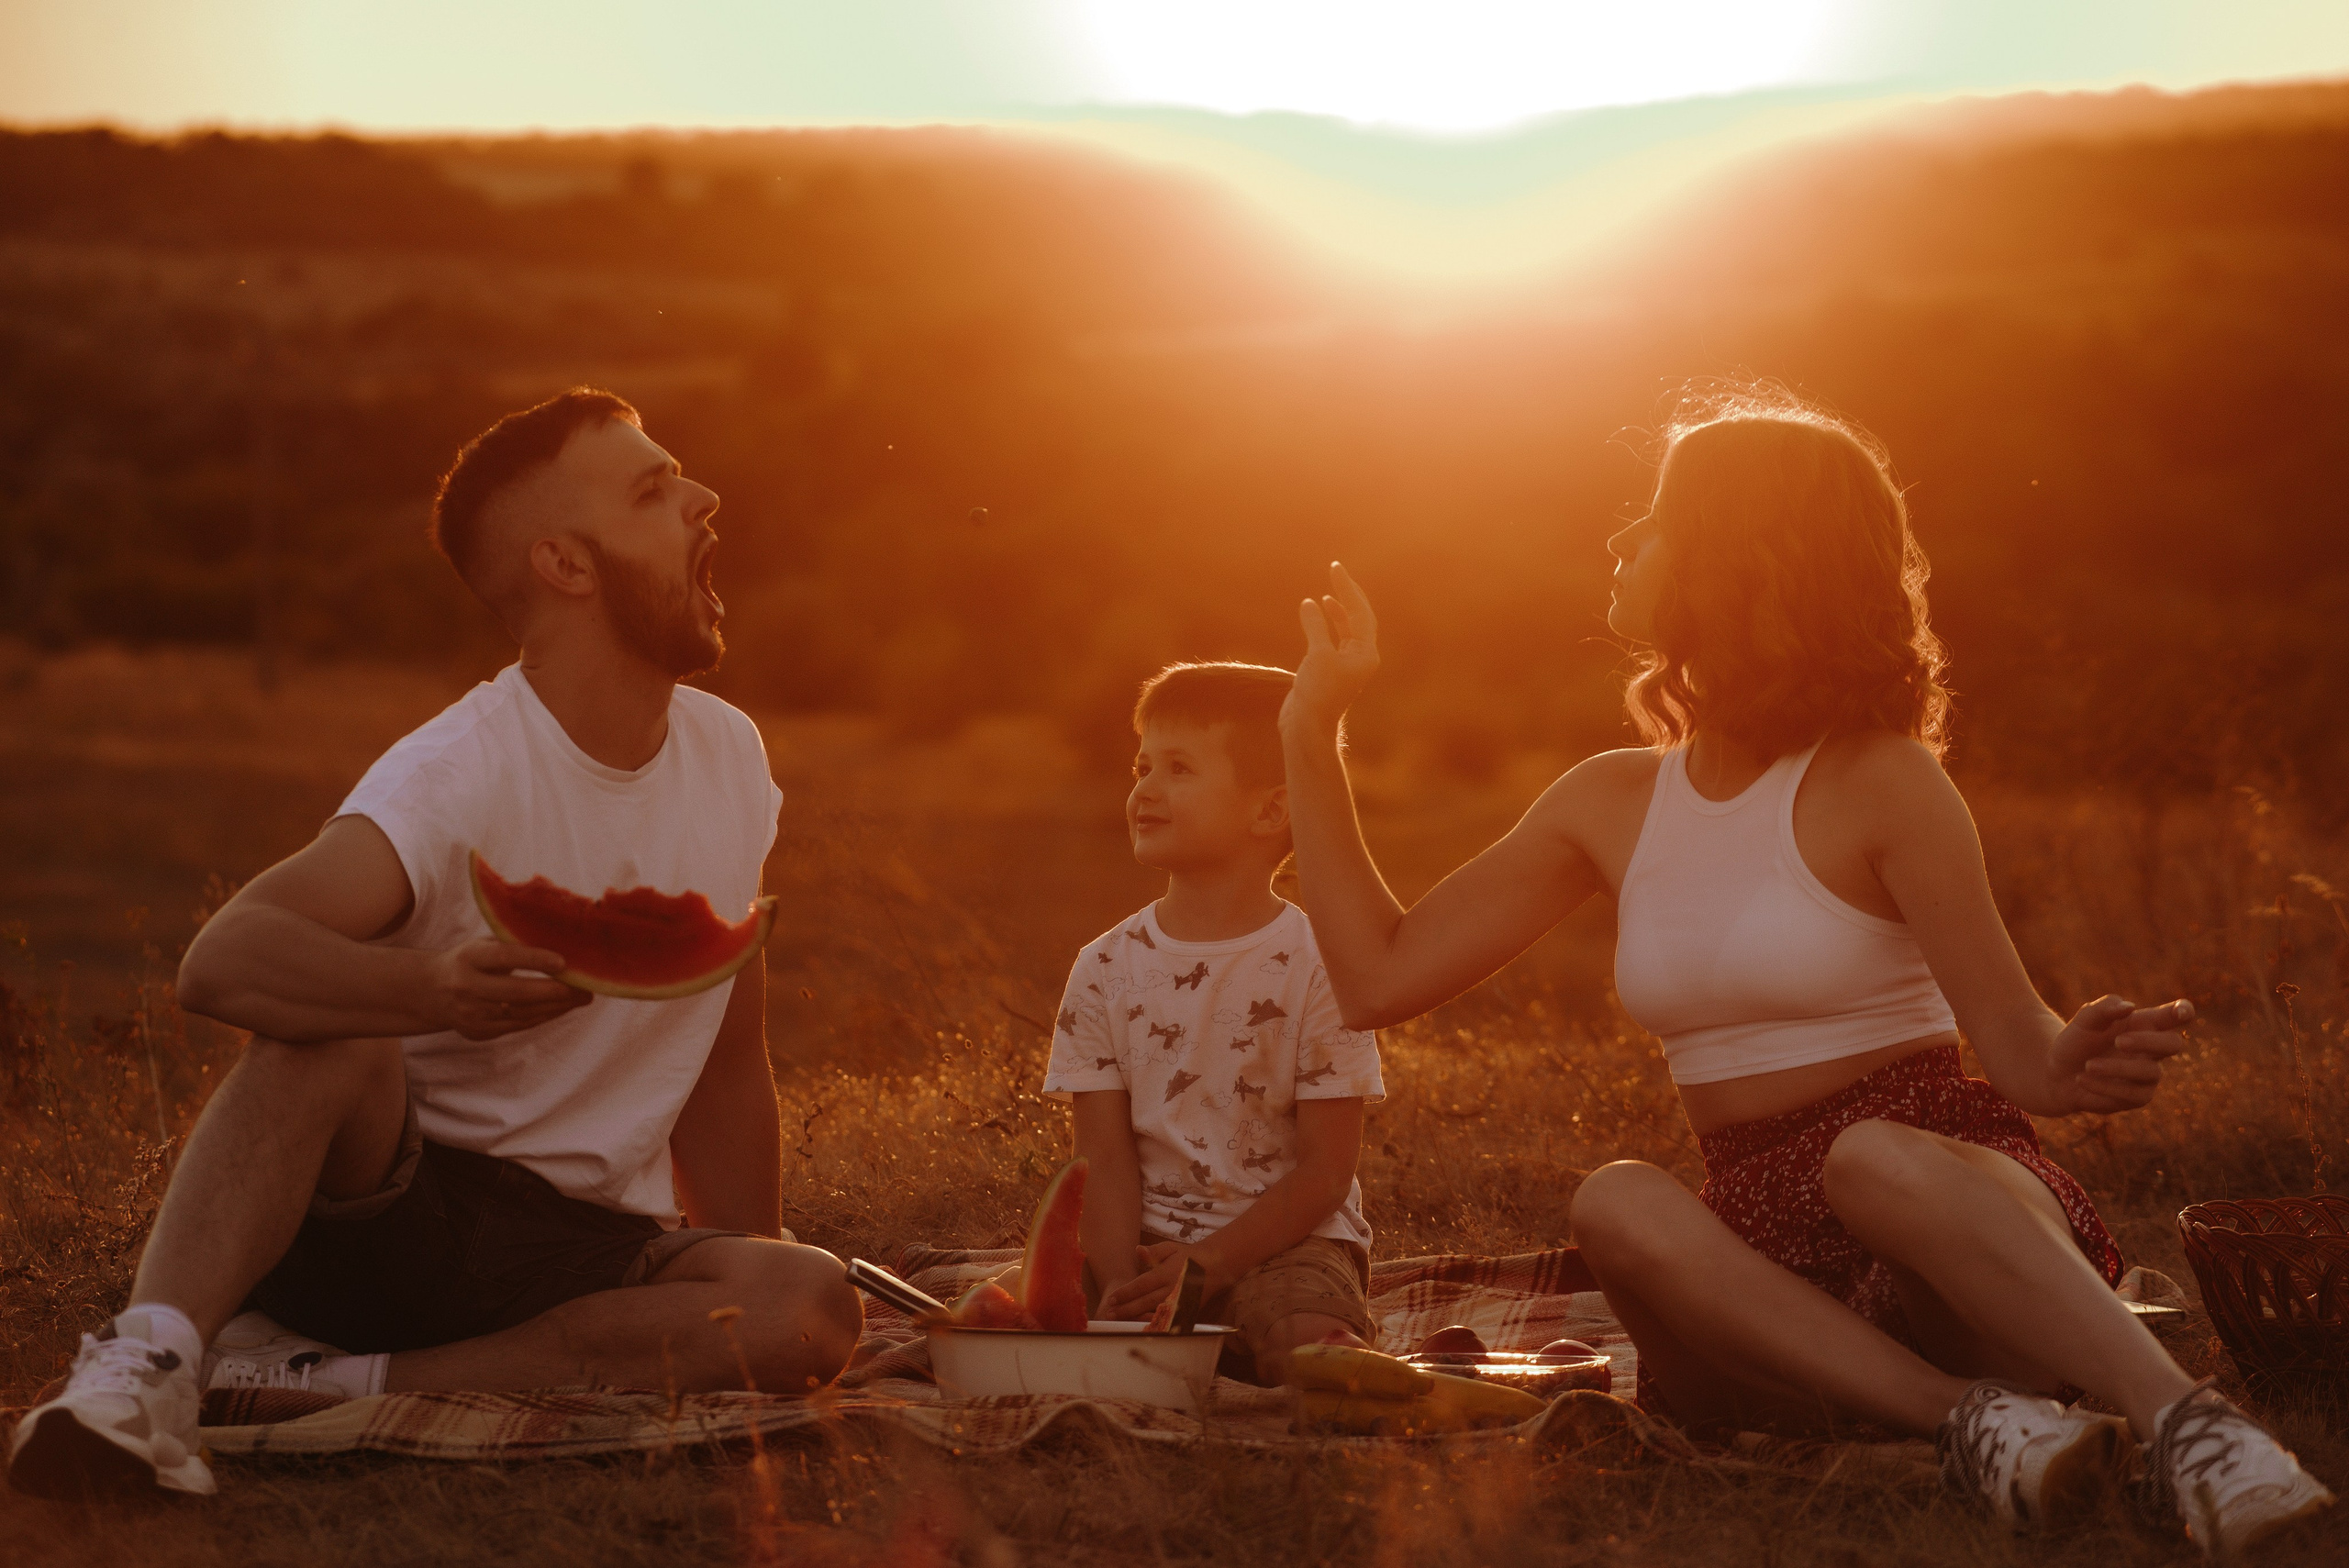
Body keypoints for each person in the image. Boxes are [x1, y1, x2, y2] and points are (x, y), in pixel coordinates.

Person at [1275, 394, 2332, 1557]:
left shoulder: (1883, 781)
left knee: (1868, 1154)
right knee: (1616, 1197)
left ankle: (2193, 1428)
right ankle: (1976, 1426)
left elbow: (2024, 1054)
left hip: (1947, 1212)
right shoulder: (1608, 799)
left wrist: (2079, 1059)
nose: (1623, 541)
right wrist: (1309, 732)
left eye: (1656, 518)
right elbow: (1377, 976)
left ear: (1739, 557)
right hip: (1767, 1279)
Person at [8, 388, 862, 1501]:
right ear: (565, 562)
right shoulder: (458, 771)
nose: (703, 499)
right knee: (324, 1031)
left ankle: (323, 1379)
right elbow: (224, 958)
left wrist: (750, 1278)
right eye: (654, 490)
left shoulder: (731, 757)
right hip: (399, 1214)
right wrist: (430, 988)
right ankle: (148, 1367)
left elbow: (727, 1060)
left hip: (585, 1247)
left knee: (812, 1303)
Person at [1042, 662, 1386, 1385]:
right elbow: (1102, 1160)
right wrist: (1118, 1288)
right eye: (1143, 766)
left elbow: (1328, 1171)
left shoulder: (1326, 963)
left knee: (1310, 1349)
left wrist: (1212, 1263)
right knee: (1061, 1331)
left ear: (1269, 811)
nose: (1145, 789)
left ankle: (1307, 1353)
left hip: (1288, 1242)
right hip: (1148, 1243)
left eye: (1179, 768)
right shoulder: (1103, 967)